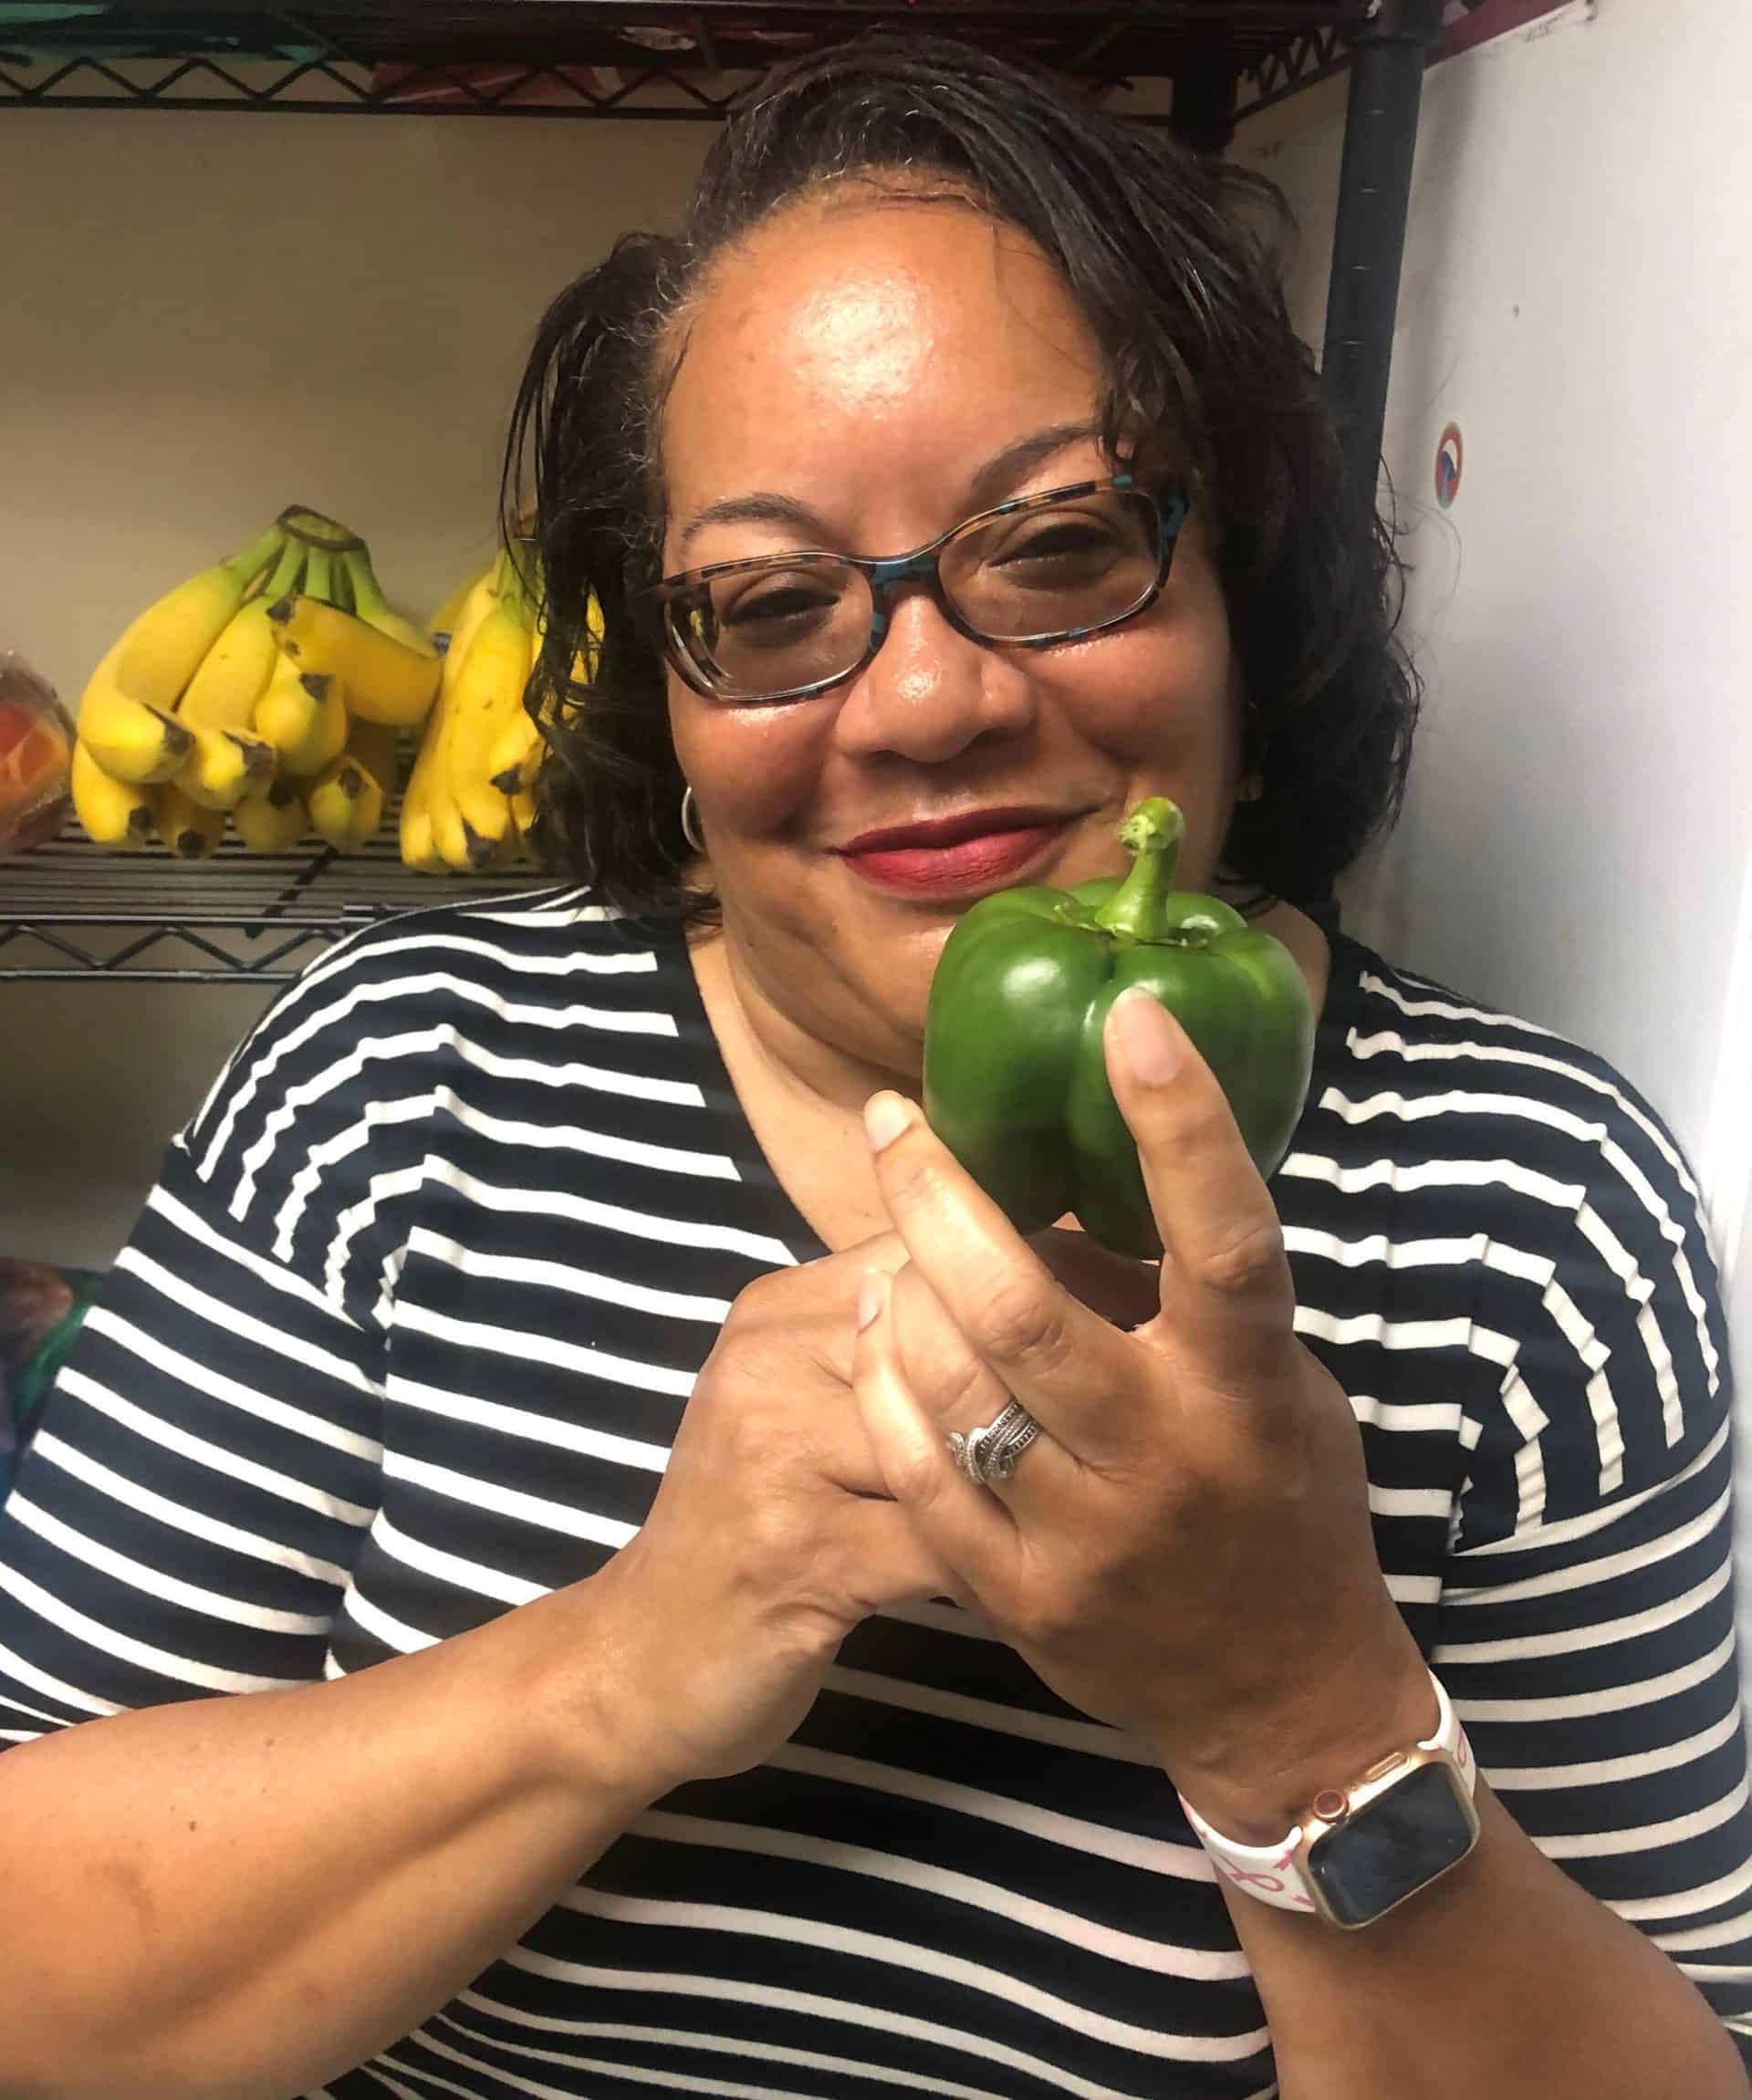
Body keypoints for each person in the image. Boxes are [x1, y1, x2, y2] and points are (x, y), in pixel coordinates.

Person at [1, 35, 1747, 2100]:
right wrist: (619, 1664)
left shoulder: (1527, 1215)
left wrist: (1295, 1700)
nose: (924, 700)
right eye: (768, 601)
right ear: (664, 692)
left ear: (1241, 587)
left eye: (1062, 543)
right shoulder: (395, 1084)